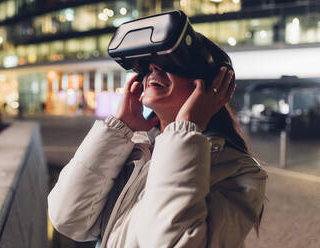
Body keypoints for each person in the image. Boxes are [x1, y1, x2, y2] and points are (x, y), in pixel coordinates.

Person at [48, 33, 267, 248]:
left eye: (169, 62)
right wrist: (119, 128)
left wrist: (185, 130)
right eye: (147, 65)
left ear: (213, 86)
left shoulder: (240, 171)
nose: (154, 68)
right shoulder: (134, 151)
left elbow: (172, 243)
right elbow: (68, 219)